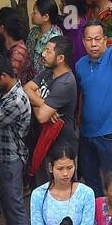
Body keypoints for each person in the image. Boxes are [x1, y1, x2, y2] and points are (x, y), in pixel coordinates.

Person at [76, 1, 112, 192]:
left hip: (111, 133)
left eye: (97, 39)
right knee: (91, 177)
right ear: (83, 41)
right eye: (89, 39)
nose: (93, 43)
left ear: (105, 40)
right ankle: (97, 215)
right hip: (86, 133)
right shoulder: (80, 65)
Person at [0, 54, 32, 225]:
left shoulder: (16, 100)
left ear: (3, 76)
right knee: (9, 205)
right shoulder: (5, 93)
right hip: (4, 157)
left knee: (14, 206)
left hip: (10, 159)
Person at [25, 35, 79, 170]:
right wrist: (43, 104)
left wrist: (35, 101)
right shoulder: (48, 72)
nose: (43, 54)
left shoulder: (65, 83)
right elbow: (26, 88)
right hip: (45, 139)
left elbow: (42, 117)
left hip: (60, 145)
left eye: (48, 51)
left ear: (60, 58)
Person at [30, 147, 95, 225]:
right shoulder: (38, 194)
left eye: (69, 168)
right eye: (60, 168)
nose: (65, 173)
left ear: (75, 166)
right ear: (50, 168)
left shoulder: (86, 193)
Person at [29, 0, 65, 74]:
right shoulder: (33, 31)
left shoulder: (55, 36)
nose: (32, 15)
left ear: (46, 17)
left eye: (35, 13)